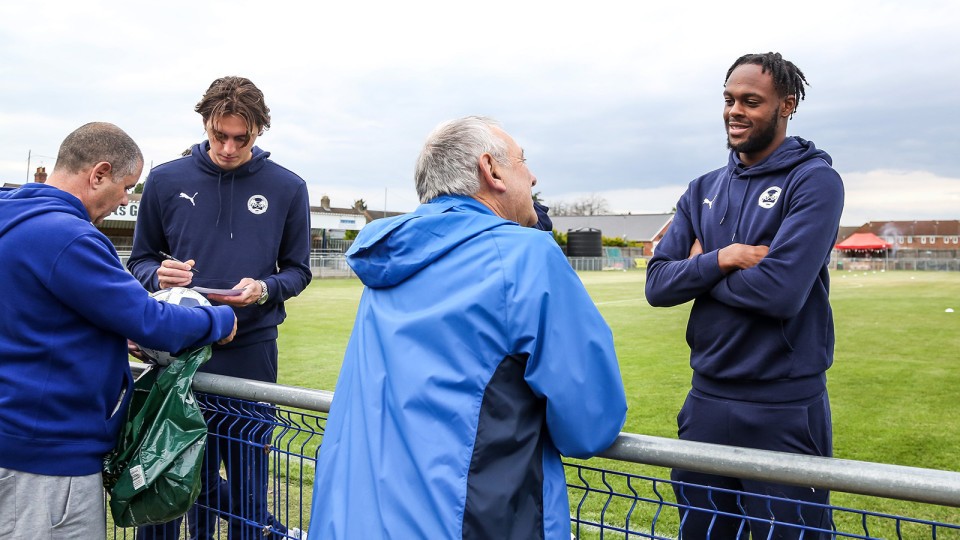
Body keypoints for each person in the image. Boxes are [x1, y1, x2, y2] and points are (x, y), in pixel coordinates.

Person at [307, 116, 627, 539]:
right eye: (522, 162)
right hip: (464, 522)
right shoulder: (525, 256)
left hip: (355, 519)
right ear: (491, 170)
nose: (532, 176)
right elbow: (590, 423)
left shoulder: (389, 259)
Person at [0, 122, 237, 539]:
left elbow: (36, 314)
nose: (127, 198)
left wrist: (108, 335)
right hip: (46, 455)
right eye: (127, 185)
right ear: (98, 174)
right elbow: (152, 322)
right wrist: (220, 318)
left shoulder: (14, 216)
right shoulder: (68, 236)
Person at [645, 52, 844, 539]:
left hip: (783, 408)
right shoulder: (701, 189)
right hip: (706, 401)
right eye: (729, 99)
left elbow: (780, 292)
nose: (735, 110)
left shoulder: (814, 180)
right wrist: (724, 257)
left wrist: (697, 268)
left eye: (751, 101)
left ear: (786, 106)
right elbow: (657, 285)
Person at [127, 76, 312, 539]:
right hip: (178, 351)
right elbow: (141, 261)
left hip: (250, 350)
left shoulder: (288, 187)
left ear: (259, 131)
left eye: (241, 138)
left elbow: (297, 270)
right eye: (218, 135)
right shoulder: (166, 179)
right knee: (175, 471)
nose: (228, 147)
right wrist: (157, 276)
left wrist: (266, 289)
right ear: (205, 125)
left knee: (247, 485)